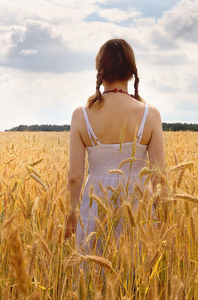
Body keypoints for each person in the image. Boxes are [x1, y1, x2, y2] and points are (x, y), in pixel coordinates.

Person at [64, 39, 165, 248]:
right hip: (138, 205)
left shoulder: (81, 116)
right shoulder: (150, 115)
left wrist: (71, 214)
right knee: (135, 272)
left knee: (92, 271)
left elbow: (75, 176)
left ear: (100, 70)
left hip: (95, 203)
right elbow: (159, 176)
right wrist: (162, 217)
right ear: (131, 71)